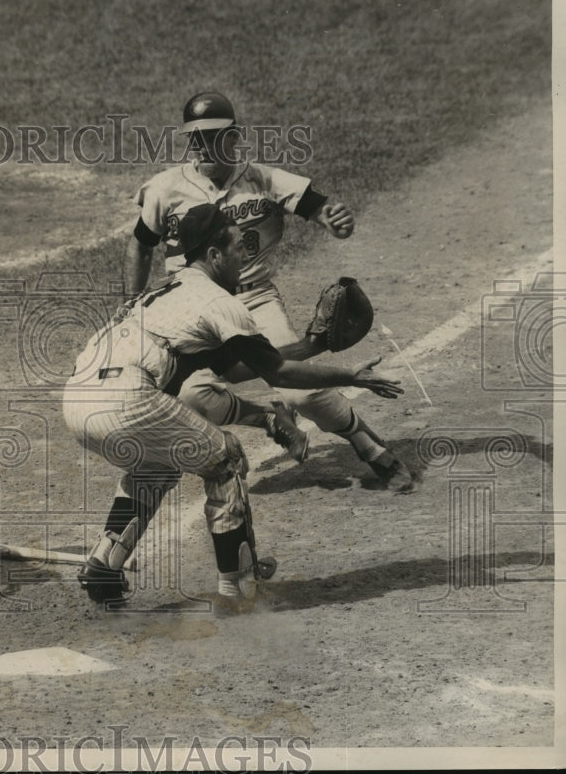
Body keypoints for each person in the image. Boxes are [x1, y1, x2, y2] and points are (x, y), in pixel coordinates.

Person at [63, 203, 404, 604]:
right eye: (239, 248)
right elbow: (277, 374)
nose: (245, 257)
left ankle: (104, 565)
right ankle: (239, 588)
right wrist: (350, 376)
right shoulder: (219, 302)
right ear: (214, 255)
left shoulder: (162, 291)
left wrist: (313, 344)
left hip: (78, 399)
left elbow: (239, 368)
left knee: (157, 464)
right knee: (225, 458)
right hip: (128, 401)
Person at [123, 91, 415, 492]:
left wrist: (335, 221)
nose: (202, 145)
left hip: (253, 298)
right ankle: (269, 418)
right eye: (194, 137)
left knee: (302, 393)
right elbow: (141, 243)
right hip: (190, 308)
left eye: (213, 135)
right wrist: (133, 301)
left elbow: (320, 207)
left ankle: (370, 447)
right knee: (190, 395)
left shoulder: (264, 179)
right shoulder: (164, 188)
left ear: (234, 136)